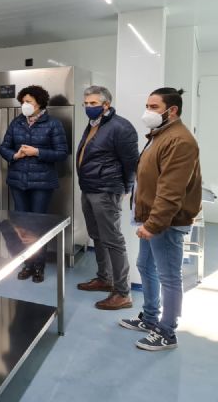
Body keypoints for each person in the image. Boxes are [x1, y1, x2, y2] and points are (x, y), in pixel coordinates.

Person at [120, 88, 202, 351]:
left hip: (166, 221)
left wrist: (154, 224)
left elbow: (171, 190)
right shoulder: (160, 135)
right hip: (151, 217)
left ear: (172, 110)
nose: (147, 111)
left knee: (169, 276)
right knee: (145, 265)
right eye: (147, 106)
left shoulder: (180, 141)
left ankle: (167, 332)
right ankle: (150, 317)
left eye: (153, 107)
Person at [76, 86, 139, 310]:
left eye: (93, 103)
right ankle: (105, 278)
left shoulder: (121, 127)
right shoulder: (94, 124)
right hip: (89, 188)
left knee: (112, 240)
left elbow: (131, 163)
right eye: (86, 103)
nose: (88, 107)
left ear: (106, 104)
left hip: (106, 190)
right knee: (97, 235)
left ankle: (122, 293)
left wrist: (125, 188)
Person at [0, 85, 68, 283]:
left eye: (28, 101)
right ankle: (27, 263)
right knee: (21, 224)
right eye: (23, 102)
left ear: (39, 103)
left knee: (38, 225)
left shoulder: (53, 124)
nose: (25, 105)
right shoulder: (17, 122)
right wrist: (15, 155)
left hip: (42, 183)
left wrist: (37, 152)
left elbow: (62, 153)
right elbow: (3, 147)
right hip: (18, 181)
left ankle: (39, 265)